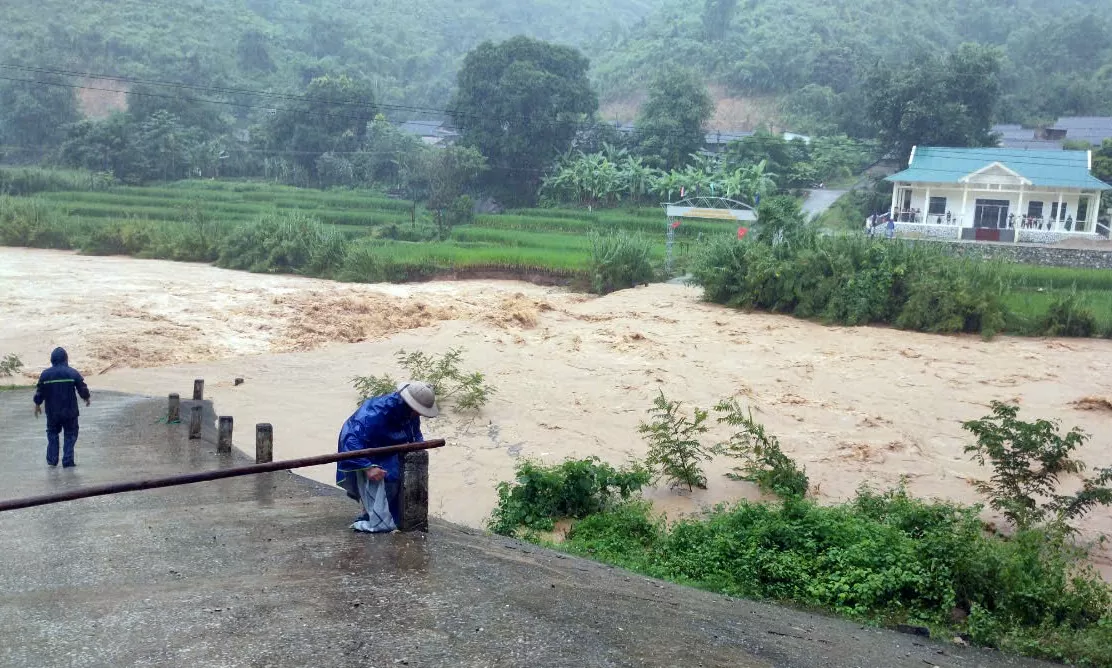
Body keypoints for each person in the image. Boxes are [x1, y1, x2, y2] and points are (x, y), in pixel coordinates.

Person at [336, 381, 438, 533]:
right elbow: (351, 438)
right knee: (380, 484)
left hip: (390, 449)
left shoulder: (410, 413)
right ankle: (370, 519)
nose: (418, 414)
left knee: (396, 480)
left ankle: (392, 518)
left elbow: (414, 432)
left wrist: (419, 446)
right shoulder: (375, 412)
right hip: (366, 450)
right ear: (409, 403)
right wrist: (367, 466)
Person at [32, 347, 91, 468]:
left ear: (52, 359)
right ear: (66, 359)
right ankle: (68, 461)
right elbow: (82, 387)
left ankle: (52, 460)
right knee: (70, 434)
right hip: (70, 411)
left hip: (52, 412)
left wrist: (37, 404)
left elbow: (40, 391)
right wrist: (86, 397)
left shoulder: (45, 374)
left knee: (52, 434)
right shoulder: (72, 372)